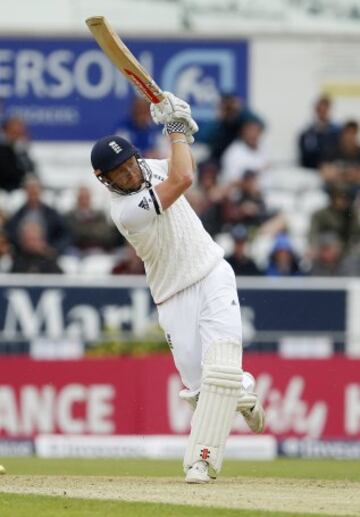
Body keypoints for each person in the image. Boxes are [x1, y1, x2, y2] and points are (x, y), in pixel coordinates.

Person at [90, 92, 265, 484]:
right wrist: (176, 128)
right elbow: (183, 178)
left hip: (212, 272)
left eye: (128, 164)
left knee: (219, 368)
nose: (128, 174)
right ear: (105, 180)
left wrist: (182, 126)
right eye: (117, 173)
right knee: (204, 391)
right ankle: (243, 390)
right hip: (172, 296)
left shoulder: (149, 166)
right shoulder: (124, 212)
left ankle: (200, 460)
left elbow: (184, 164)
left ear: (135, 157)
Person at [298, 95, 340, 170]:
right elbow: (305, 154)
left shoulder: (337, 131)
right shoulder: (307, 133)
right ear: (316, 110)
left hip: (332, 169)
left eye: (325, 109)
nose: (322, 112)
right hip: (312, 169)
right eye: (320, 109)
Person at [0, 116, 36, 191]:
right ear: (6, 132)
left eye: (21, 133)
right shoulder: (3, 151)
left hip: (22, 192)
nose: (18, 136)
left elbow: (31, 171)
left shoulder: (22, 151)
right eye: (14, 133)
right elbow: (8, 175)